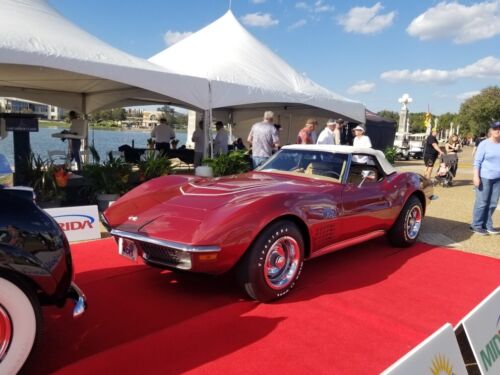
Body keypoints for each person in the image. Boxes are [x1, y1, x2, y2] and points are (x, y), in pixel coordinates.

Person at [470, 121, 500, 235]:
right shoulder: (484, 144)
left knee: (493, 203)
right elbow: (477, 162)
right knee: (482, 202)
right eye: (495, 128)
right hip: (485, 177)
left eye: (499, 129)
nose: (498, 130)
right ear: (491, 131)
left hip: (498, 179)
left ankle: (487, 224)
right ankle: (476, 225)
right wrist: (475, 176)